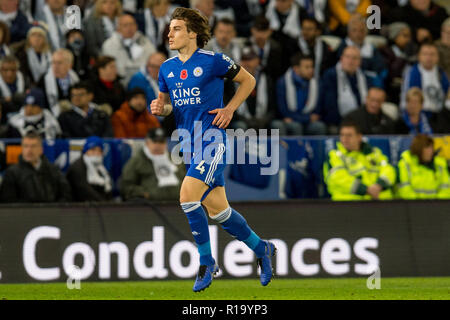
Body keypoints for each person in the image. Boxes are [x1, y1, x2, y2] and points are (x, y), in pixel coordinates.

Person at [151, 7, 276, 292]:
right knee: (219, 211)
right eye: (169, 29)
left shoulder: (214, 61)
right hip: (188, 145)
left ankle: (207, 262)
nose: (169, 33)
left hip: (211, 140)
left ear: (192, 33)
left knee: (186, 197)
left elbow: (249, 80)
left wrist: (230, 109)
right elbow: (170, 106)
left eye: (176, 28)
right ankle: (262, 249)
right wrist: (161, 108)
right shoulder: (166, 69)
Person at [323, 120, 396, 201]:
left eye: (349, 135)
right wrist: (366, 190)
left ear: (359, 137)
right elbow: (338, 179)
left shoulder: (375, 153)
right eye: (342, 135)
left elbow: (389, 170)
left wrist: (379, 185)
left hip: (380, 203)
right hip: (349, 205)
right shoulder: (334, 156)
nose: (345, 139)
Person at [312, 46, 372, 134]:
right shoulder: (330, 75)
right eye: (347, 57)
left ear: (360, 62)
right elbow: (329, 103)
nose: (350, 61)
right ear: (341, 58)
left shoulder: (364, 77)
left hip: (360, 121)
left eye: (355, 58)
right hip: (336, 121)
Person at [0, 130, 72, 202]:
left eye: (33, 146)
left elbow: (65, 195)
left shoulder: (54, 170)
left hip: (52, 211)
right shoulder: (12, 173)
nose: (29, 150)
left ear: (41, 149)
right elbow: (9, 201)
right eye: (26, 146)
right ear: (21, 148)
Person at [120, 127, 184, 201]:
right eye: (155, 142)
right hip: (150, 207)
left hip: (179, 205)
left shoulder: (175, 160)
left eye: (161, 142)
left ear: (166, 143)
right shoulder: (136, 161)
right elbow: (126, 186)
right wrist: (144, 194)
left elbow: (186, 179)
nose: (158, 145)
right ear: (147, 143)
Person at [274, 52, 327, 135]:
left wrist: (303, 119)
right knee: (295, 126)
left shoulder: (317, 83)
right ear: (296, 69)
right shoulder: (283, 82)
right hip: (294, 121)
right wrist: (307, 118)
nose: (311, 70)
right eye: (307, 67)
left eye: (312, 67)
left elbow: (317, 109)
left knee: (319, 126)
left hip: (305, 121)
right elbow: (283, 110)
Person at [230, 45, 277, 132]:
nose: (247, 63)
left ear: (257, 61)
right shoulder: (231, 82)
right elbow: (228, 104)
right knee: (240, 126)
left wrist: (264, 120)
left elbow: (273, 106)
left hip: (263, 119)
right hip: (241, 120)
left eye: (250, 60)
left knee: (276, 125)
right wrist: (246, 120)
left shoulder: (266, 79)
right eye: (244, 60)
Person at [101, 14, 156, 86]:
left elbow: (153, 60)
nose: (130, 28)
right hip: (119, 82)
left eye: (132, 24)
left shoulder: (145, 42)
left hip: (143, 81)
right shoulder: (109, 45)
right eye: (125, 25)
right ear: (118, 28)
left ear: (136, 26)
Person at [335, 14, 387, 87]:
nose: (358, 34)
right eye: (354, 30)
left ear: (366, 33)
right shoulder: (343, 46)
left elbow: (379, 65)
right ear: (349, 32)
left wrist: (362, 63)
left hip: (370, 81)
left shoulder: (370, 47)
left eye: (361, 31)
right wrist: (368, 62)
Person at [400, 43, 449, 119]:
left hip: (440, 115)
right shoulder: (413, 72)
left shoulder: (440, 72)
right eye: (425, 54)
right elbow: (411, 98)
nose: (429, 58)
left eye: (432, 54)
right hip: (421, 114)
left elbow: (448, 91)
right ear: (419, 56)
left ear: (437, 57)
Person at [397, 134, 450, 199]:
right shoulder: (405, 163)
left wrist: (435, 205)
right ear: (418, 149)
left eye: (431, 148)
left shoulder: (440, 164)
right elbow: (405, 190)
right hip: (412, 206)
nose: (431, 151)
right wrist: (420, 205)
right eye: (427, 148)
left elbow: (446, 189)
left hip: (437, 206)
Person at [66, 136, 113, 202]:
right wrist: (104, 204)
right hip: (77, 206)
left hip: (97, 206)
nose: (96, 153)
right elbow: (84, 190)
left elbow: (107, 189)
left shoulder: (101, 169)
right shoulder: (77, 167)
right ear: (86, 150)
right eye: (93, 149)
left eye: (99, 151)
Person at [379, 22, 417, 104]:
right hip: (392, 91)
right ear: (395, 36)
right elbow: (391, 74)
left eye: (409, 36)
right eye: (405, 36)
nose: (408, 40)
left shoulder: (411, 51)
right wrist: (404, 57)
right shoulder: (385, 51)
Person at [246, 14, 283, 80]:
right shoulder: (245, 46)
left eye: (263, 31)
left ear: (270, 31)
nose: (260, 35)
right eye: (258, 31)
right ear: (252, 30)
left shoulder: (276, 48)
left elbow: (278, 71)